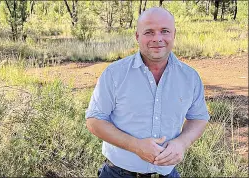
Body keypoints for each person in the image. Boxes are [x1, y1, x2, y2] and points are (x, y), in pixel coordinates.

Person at [85, 7, 210, 178]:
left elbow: (199, 117)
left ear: (174, 34)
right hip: (117, 173)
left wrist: (182, 142)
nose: (157, 38)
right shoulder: (114, 74)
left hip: (167, 174)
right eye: (149, 32)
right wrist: (135, 146)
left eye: (164, 31)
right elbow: (94, 120)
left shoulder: (190, 77)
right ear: (137, 36)